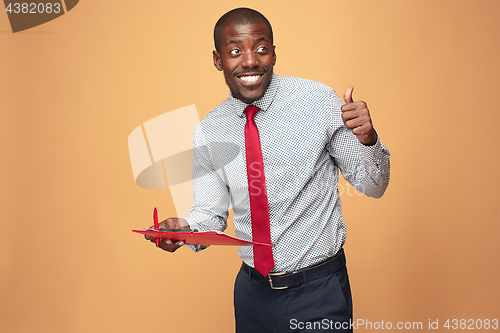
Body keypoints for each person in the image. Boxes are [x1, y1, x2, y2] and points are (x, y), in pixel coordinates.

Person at [146, 7, 390, 333]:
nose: (249, 61)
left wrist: (368, 140)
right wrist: (184, 229)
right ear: (218, 60)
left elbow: (374, 185)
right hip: (251, 295)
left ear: (274, 54)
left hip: (318, 293)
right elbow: (210, 216)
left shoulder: (318, 102)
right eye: (235, 51)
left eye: (260, 48)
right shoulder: (209, 131)